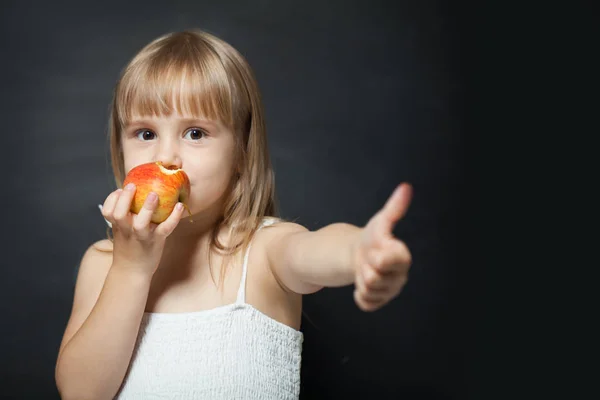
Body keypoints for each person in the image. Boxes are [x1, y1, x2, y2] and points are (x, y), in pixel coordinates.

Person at [54, 29, 414, 400]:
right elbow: (81, 392)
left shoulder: (262, 252)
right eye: (145, 133)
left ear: (241, 152)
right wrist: (131, 269)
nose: (164, 157)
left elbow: (314, 249)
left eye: (195, 133)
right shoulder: (102, 263)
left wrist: (360, 250)